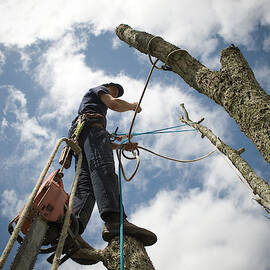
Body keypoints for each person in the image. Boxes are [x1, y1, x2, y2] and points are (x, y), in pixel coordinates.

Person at [68, 83, 157, 265]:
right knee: (103, 169)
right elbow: (114, 104)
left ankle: (71, 230)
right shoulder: (99, 90)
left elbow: (103, 142)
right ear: (108, 86)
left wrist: (123, 145)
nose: (114, 93)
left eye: (116, 92)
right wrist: (132, 106)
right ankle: (115, 219)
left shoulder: (92, 116)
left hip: (82, 135)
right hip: (90, 129)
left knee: (86, 184)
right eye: (115, 90)